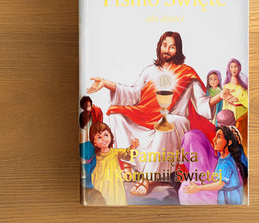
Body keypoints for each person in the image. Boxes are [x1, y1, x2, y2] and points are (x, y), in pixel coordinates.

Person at [87, 31, 223, 196]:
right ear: (159, 47)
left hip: (176, 122)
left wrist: (220, 96)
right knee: (117, 115)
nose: (167, 50)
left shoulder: (187, 73)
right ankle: (128, 167)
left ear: (178, 50)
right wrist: (106, 83)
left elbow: (201, 104)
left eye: (172, 47)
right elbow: (134, 94)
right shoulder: (150, 71)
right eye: (165, 45)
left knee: (166, 122)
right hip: (147, 119)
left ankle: (146, 178)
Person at [183, 126, 244, 205]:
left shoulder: (226, 163)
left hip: (230, 196)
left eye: (218, 137)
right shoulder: (222, 159)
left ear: (229, 142)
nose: (214, 139)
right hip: (225, 194)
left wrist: (199, 188)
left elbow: (219, 184)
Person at [90, 122, 139, 206]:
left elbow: (127, 153)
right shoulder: (94, 157)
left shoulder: (115, 152)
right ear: (94, 142)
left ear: (110, 135)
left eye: (106, 135)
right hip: (100, 186)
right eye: (99, 137)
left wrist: (133, 147)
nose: (104, 139)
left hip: (115, 187)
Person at [221, 58, 248, 155]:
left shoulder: (243, 88)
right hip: (229, 119)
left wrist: (237, 101)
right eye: (231, 67)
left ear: (239, 68)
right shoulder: (226, 87)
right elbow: (224, 105)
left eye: (235, 66)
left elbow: (247, 103)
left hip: (240, 119)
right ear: (229, 69)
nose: (233, 69)